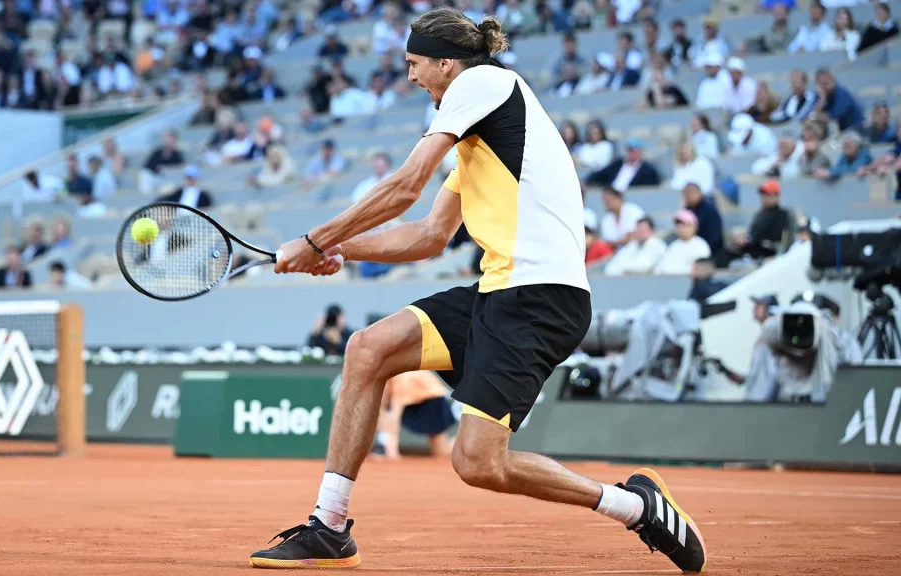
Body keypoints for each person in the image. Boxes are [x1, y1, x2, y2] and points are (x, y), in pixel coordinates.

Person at [252, 9, 707, 573]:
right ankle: (330, 527)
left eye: (416, 64)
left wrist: (313, 238)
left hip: (541, 298)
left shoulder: (483, 84)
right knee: (367, 349)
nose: (412, 77)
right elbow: (428, 235)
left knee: (477, 463)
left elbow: (404, 188)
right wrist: (335, 252)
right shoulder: (484, 135)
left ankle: (635, 506)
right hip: (499, 290)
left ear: (448, 63)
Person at [371, 370, 456, 459]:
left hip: (433, 403)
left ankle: (462, 441)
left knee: (440, 451)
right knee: (381, 411)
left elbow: (396, 415)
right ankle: (382, 444)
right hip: (413, 403)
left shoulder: (403, 380)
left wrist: (392, 451)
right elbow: (381, 407)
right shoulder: (386, 380)